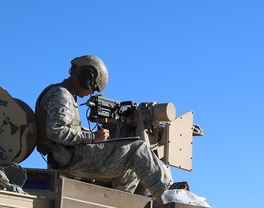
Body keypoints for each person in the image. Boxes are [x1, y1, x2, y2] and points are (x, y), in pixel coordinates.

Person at [35, 55, 172, 199]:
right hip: (69, 158)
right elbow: (56, 132)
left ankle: (117, 206)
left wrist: (91, 136)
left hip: (67, 156)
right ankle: (168, 197)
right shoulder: (61, 94)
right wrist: (93, 137)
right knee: (138, 148)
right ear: (86, 78)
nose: (92, 92)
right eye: (93, 86)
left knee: (129, 168)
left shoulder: (64, 94)